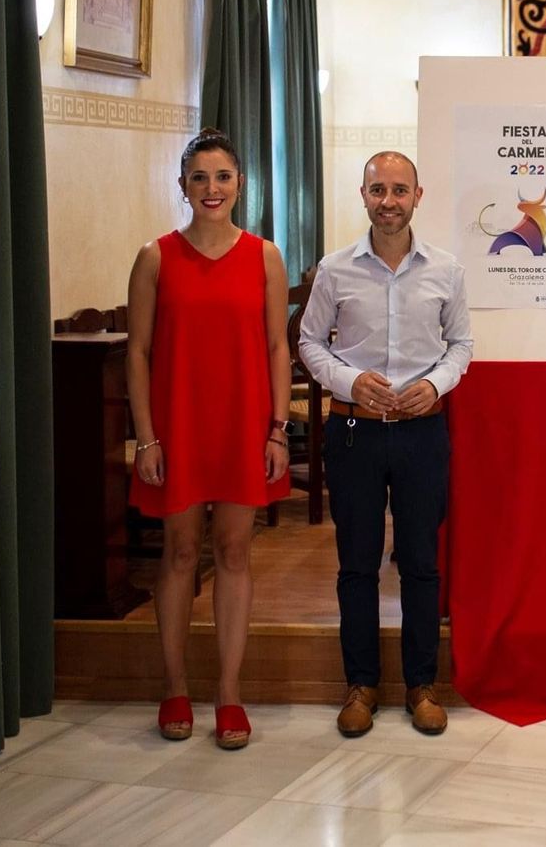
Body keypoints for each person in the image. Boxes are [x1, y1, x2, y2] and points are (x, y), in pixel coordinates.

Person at [126, 129, 291, 751]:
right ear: (183, 186)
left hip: (244, 423)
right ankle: (174, 684)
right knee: (178, 551)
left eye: (223, 177)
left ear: (240, 184)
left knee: (234, 551)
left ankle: (228, 691)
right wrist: (146, 438)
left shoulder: (265, 257)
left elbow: (279, 346)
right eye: (200, 177)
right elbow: (138, 352)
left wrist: (279, 427)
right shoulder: (156, 257)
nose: (212, 189)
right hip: (178, 425)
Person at [300, 151, 472, 737]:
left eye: (400, 190)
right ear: (363, 195)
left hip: (423, 434)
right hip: (354, 435)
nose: (389, 201)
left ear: (418, 196)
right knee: (357, 566)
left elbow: (461, 346)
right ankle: (361, 685)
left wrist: (433, 383)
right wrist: (349, 381)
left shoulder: (446, 270)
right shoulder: (335, 269)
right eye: (378, 190)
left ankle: (422, 686)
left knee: (422, 565)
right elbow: (308, 343)